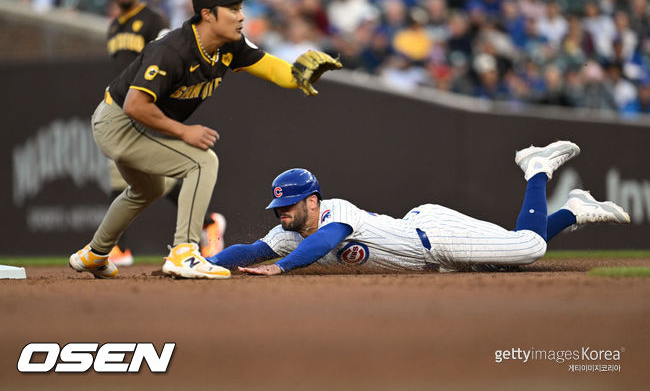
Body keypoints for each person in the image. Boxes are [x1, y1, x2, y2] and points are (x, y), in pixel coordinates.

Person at [68, 0, 342, 279]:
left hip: (141, 125)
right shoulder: (173, 49)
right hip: (118, 122)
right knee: (202, 161)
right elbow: (135, 105)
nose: (241, 15)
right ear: (208, 14)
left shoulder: (230, 45)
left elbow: (270, 67)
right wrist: (184, 132)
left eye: (241, 8)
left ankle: (95, 253)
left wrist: (297, 76)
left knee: (148, 188)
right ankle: (184, 252)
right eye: (232, 8)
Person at [205, 141, 629, 275]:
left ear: (311, 201)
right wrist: (207, 264)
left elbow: (326, 242)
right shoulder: (287, 233)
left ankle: (536, 168)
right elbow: (249, 252)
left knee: (528, 249)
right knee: (508, 256)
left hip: (434, 236)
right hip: (427, 255)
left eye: (291, 205)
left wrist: (280, 269)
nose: (282, 213)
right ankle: (574, 210)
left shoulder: (336, 213)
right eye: (279, 206)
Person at [104, 0, 225, 265]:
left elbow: (170, 56)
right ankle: (208, 225)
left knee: (138, 176)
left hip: (148, 105)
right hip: (124, 108)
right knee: (138, 177)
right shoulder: (114, 26)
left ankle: (117, 247)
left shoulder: (152, 19)